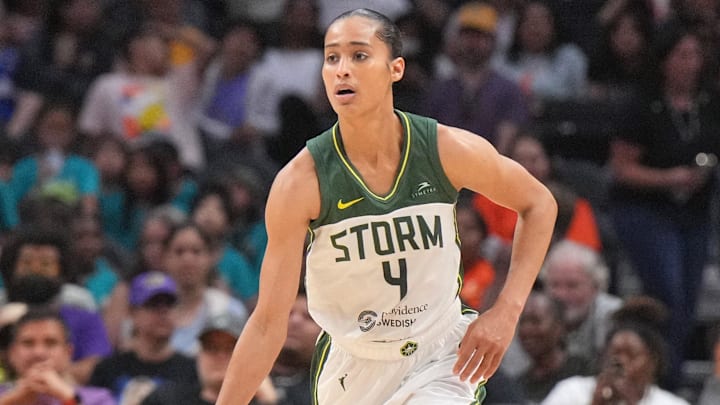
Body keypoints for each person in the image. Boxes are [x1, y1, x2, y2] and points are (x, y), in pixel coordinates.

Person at [217, 8, 557, 405]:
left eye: (359, 55)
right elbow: (266, 326)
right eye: (332, 58)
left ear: (396, 68)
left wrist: (506, 312)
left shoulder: (444, 148)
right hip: (353, 366)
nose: (343, 69)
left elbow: (539, 202)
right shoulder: (301, 182)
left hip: (440, 351)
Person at [541, 296, 689, 405]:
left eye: (631, 355)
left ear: (653, 362)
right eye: (615, 352)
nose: (621, 360)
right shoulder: (571, 391)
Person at [89, 271, 196, 404]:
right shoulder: (108, 369)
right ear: (132, 313)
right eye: (153, 304)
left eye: (169, 304)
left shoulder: (193, 370)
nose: (163, 312)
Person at [141, 312, 275, 405]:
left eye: (229, 349)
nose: (220, 356)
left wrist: (269, 402)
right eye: (212, 348)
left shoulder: (263, 401)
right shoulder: (167, 399)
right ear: (199, 354)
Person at [0, 308, 115, 405]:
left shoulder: (99, 399)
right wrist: (12, 399)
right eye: (28, 343)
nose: (39, 352)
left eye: (50, 343)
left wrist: (67, 396)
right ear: (12, 353)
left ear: (68, 353)